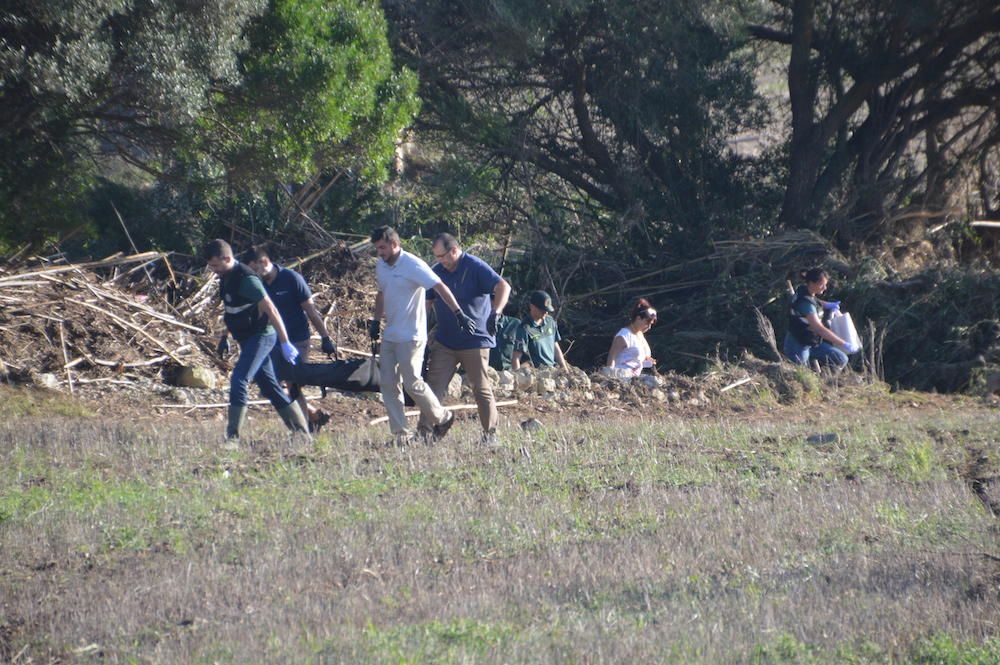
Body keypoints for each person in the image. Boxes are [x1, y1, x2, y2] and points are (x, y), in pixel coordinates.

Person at [368, 226, 475, 446]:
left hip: (412, 336)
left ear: (395, 244)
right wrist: (376, 321)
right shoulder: (381, 266)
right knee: (388, 384)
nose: (379, 252)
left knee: (412, 383)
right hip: (390, 335)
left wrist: (458, 313)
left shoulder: (413, 264)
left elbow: (439, 286)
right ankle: (401, 436)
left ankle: (443, 417)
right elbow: (381, 293)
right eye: (377, 248)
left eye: (382, 247)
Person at [205, 239, 310, 442]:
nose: (213, 270)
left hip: (261, 336)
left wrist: (285, 342)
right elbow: (232, 310)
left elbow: (271, 308)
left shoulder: (246, 279)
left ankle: (232, 438)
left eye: (216, 265)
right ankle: (303, 435)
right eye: (211, 266)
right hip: (246, 337)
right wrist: (224, 336)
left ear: (227, 258)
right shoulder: (226, 278)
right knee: (270, 387)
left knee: (239, 380)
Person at [421, 233, 511, 446]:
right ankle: (423, 434)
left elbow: (503, 286)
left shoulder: (474, 266)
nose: (439, 261)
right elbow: (427, 304)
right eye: (436, 257)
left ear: (454, 250)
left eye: (442, 256)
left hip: (475, 340)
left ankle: (491, 435)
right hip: (445, 341)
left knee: (480, 388)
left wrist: (495, 312)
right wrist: (422, 336)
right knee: (432, 387)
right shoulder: (436, 272)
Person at [244, 245, 336, 432]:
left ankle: (302, 429)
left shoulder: (291, 279)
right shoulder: (257, 284)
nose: (253, 274)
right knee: (270, 386)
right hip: (272, 342)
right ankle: (313, 415)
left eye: (255, 269)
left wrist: (326, 338)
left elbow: (311, 311)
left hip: (297, 340)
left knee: (293, 384)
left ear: (264, 262)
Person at [784, 268, 854, 369]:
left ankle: (829, 382)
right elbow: (819, 329)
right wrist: (844, 343)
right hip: (798, 345)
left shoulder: (804, 291)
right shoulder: (805, 304)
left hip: (812, 343)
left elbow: (814, 301)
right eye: (822, 285)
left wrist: (827, 305)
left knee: (841, 359)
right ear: (812, 283)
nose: (825, 288)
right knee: (802, 374)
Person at [511, 290, 569, 371]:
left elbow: (555, 347)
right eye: (542, 310)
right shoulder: (524, 328)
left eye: (547, 310)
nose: (545, 313)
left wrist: (564, 368)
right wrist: (517, 377)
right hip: (537, 373)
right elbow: (516, 358)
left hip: (552, 369)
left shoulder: (550, 321)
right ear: (532, 306)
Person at [606, 298, 657, 376]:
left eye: (651, 325)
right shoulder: (624, 335)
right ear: (638, 318)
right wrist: (609, 377)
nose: (649, 327)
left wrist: (647, 361)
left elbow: (636, 359)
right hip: (622, 377)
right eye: (647, 323)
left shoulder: (640, 335)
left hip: (635, 379)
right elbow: (611, 357)